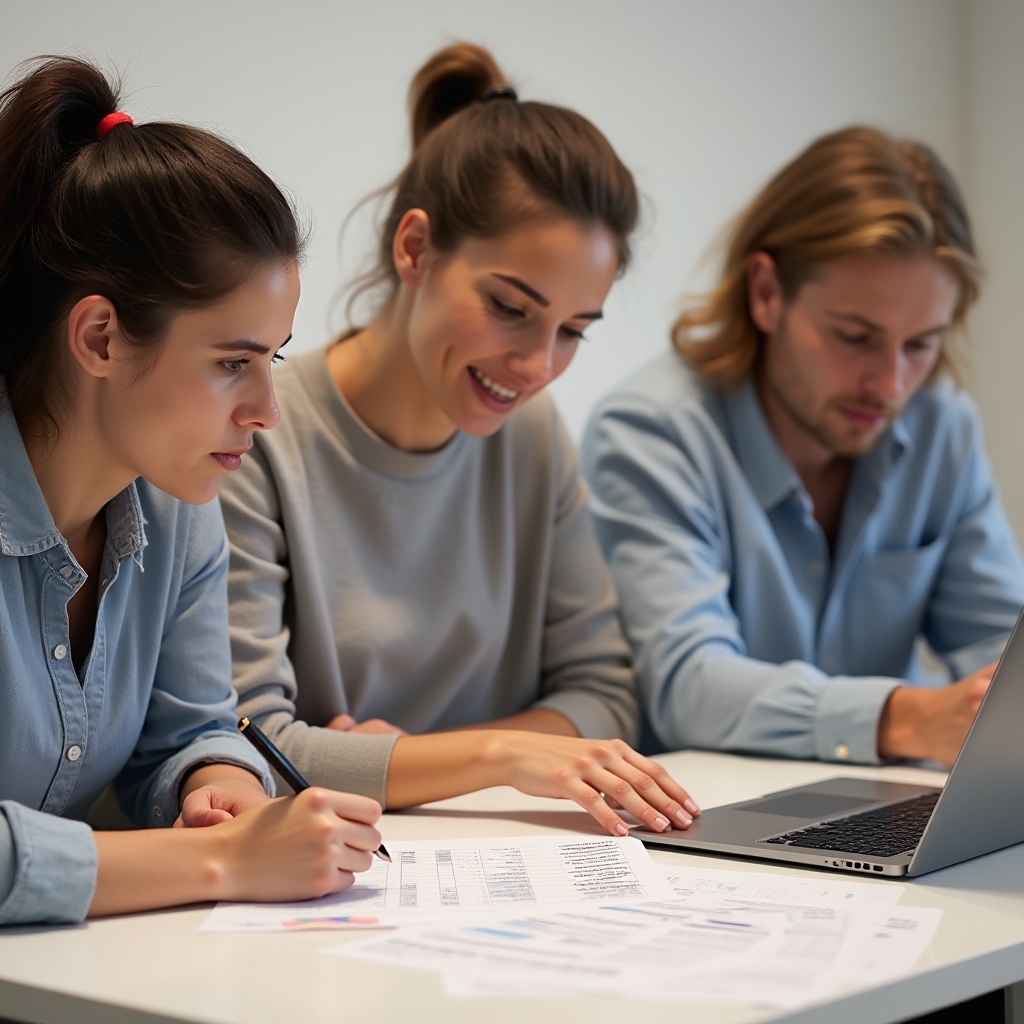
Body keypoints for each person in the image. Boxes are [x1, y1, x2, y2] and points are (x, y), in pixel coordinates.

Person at [221, 43, 698, 838]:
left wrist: (418, 758)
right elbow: (250, 746)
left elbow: (606, 694)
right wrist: (496, 756)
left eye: (573, 330)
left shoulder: (534, 438)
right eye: (511, 307)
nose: (538, 365)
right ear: (415, 249)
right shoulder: (259, 434)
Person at [0, 57, 382, 927]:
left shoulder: (182, 509)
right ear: (99, 336)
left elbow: (191, 727)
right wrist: (217, 856)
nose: (266, 411)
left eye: (272, 359)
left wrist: (218, 786)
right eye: (233, 363)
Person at [582, 126, 1024, 768]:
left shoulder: (940, 425)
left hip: (878, 801)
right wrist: (907, 718)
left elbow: (999, 646)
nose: (890, 384)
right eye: (854, 336)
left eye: (921, 344)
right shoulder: (654, 430)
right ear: (766, 293)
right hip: (698, 819)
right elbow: (688, 685)